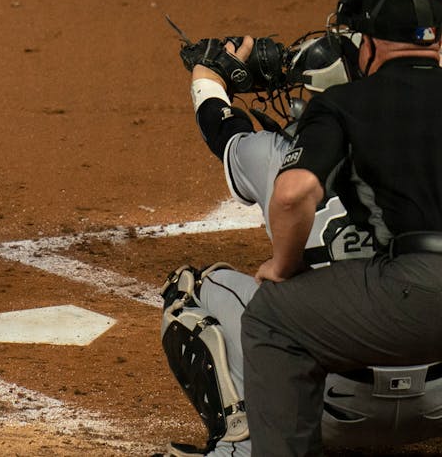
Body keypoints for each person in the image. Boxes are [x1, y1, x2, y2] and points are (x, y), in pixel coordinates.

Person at [154, 24, 442, 457]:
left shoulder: (275, 152)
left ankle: (241, 445)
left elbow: (221, 127)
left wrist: (209, 74)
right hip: (434, 405)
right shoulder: (429, 151)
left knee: (193, 291)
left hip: (323, 409)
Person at [239, 0, 442, 456]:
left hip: (419, 285)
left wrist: (282, 267)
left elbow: (292, 194)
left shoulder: (344, 103)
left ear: (367, 46)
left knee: (271, 320)